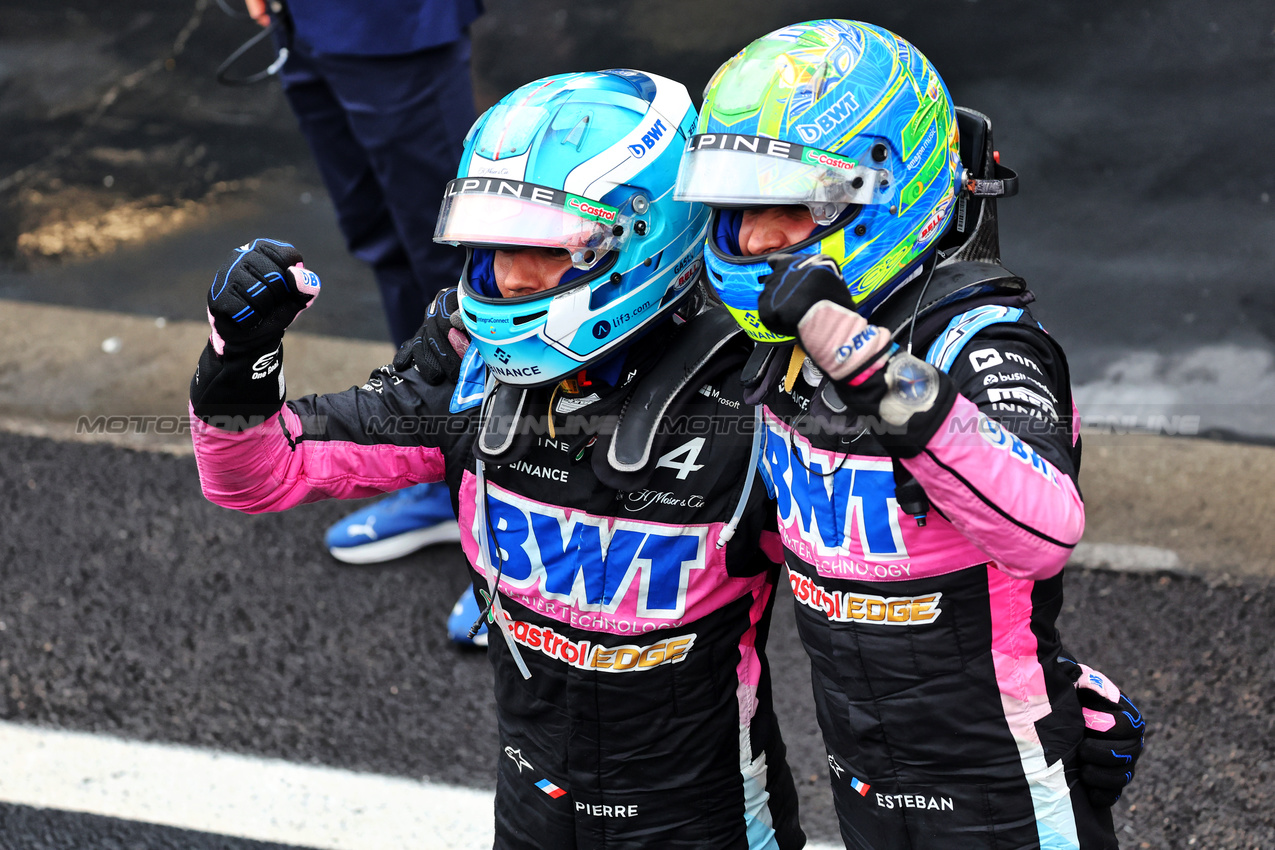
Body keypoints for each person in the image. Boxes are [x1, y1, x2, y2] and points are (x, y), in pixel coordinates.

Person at [188, 69, 805, 849]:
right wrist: (237, 356)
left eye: (545, 251)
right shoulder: (466, 372)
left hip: (711, 822)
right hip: (531, 808)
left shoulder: (757, 395)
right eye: (494, 246)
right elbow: (258, 476)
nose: (509, 278)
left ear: (645, 237)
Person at [675, 19, 1145, 849]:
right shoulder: (774, 346)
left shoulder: (982, 339)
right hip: (860, 776)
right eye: (738, 207)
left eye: (785, 208)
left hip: (1002, 788)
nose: (750, 240)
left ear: (881, 188)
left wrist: (870, 370)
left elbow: (1046, 529)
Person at [241, 0, 484, 642]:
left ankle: (522, 525)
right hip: (306, 21)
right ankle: (441, 469)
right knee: (386, 241)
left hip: (391, 21)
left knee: (464, 255)